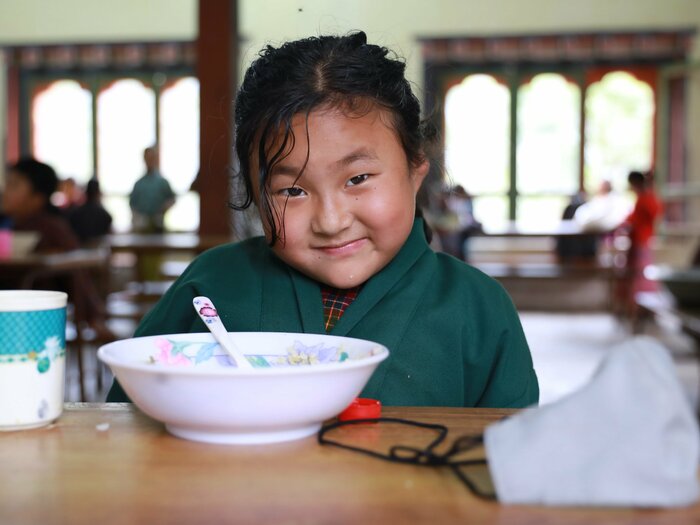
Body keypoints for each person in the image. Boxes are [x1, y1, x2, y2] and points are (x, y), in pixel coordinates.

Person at [107, 32, 539, 407]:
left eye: (358, 178)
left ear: (415, 169)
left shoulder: (477, 307)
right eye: (291, 190)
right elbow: (129, 422)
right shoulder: (212, 284)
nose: (330, 221)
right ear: (255, 195)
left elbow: (511, 460)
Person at [1, 158, 114, 339]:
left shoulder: (52, 227)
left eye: (13, 185)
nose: (5, 191)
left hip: (35, 314)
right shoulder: (8, 224)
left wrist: (93, 317)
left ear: (37, 197)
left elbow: (77, 270)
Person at [616, 170, 663, 316]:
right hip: (637, 242)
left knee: (639, 277)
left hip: (641, 242)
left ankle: (641, 309)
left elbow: (654, 213)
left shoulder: (646, 198)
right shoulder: (642, 198)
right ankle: (634, 308)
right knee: (634, 276)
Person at [129, 146, 175, 233]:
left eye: (151, 157)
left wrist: (162, 210)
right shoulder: (139, 184)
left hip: (158, 225)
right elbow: (132, 204)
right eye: (147, 158)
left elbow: (172, 200)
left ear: (155, 159)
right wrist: (137, 219)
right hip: (142, 226)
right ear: (144, 159)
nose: (149, 160)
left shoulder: (162, 182)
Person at [67, 178, 113, 244]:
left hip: (79, 250)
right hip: (99, 250)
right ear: (98, 193)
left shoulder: (75, 213)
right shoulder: (104, 215)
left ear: (86, 193)